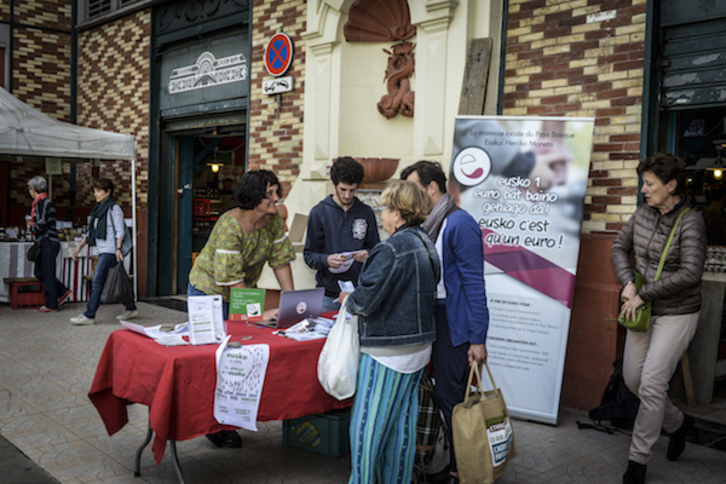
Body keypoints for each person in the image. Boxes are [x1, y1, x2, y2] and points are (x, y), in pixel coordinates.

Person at [611, 153, 707, 484]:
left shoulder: (692, 222)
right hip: (643, 310)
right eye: (644, 182)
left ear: (671, 185)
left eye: (649, 184)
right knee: (633, 379)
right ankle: (678, 423)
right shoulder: (642, 214)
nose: (643, 190)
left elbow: (691, 273)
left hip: (678, 312)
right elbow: (619, 248)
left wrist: (643, 294)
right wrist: (627, 282)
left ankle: (637, 460)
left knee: (652, 382)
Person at [188, 169, 296, 449]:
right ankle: (214, 426)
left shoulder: (271, 221)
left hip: (241, 290)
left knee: (240, 355)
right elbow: (233, 282)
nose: (276, 199)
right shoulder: (229, 225)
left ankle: (231, 418)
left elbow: (281, 261)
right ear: (253, 198)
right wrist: (258, 315)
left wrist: (294, 303)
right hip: (208, 292)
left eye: (276, 191)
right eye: (269, 194)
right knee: (216, 358)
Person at [341, 180, 440, 484]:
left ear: (398, 214)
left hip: (388, 352)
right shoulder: (426, 243)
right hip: (418, 349)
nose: (381, 214)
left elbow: (365, 301)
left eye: (384, 208)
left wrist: (349, 299)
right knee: (402, 427)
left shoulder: (391, 248)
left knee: (368, 430)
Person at [402, 160, 489, 484]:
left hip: (455, 322)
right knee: (443, 397)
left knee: (453, 400)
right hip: (436, 317)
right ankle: (453, 464)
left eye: (414, 188)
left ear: (432, 188)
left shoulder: (459, 223)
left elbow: (474, 284)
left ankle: (460, 471)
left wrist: (478, 339)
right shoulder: (430, 224)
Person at [304, 156, 380, 312]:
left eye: (352, 190)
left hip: (359, 294)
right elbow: (309, 254)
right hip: (328, 295)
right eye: (343, 190)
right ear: (334, 184)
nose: (347, 195)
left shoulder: (366, 212)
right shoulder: (319, 212)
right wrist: (326, 260)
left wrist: (367, 255)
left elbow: (377, 250)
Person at [70, 179, 137, 325]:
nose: (96, 194)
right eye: (95, 191)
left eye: (99, 191)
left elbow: (120, 230)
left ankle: (89, 315)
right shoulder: (97, 211)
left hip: (111, 251)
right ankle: (130, 307)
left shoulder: (114, 209)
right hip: (102, 251)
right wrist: (78, 247)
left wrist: (118, 249)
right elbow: (90, 233)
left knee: (97, 281)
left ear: (108, 192)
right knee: (117, 279)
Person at [26, 176, 71, 312]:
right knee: (40, 271)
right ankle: (62, 291)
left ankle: (52, 304)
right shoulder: (45, 202)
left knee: (46, 272)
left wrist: (30, 228)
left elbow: (42, 225)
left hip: (48, 242)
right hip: (48, 242)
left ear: (33, 189)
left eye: (29, 189)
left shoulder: (41, 203)